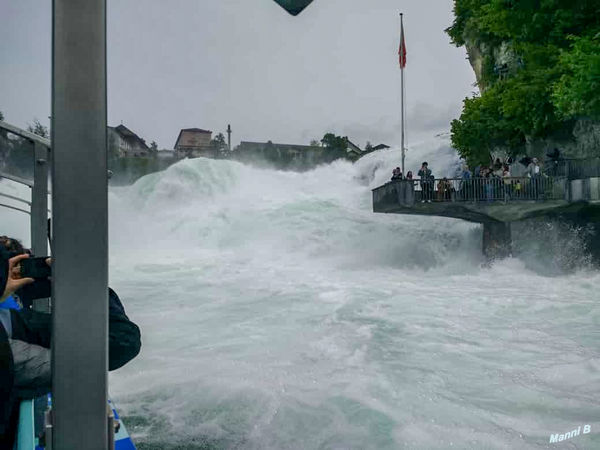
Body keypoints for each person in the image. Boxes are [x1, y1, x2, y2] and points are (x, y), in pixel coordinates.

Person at [0, 241, 141, 446]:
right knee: (117, 343)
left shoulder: (11, 311)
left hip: (9, 324)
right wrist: (89, 282)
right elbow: (121, 343)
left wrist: (55, 271)